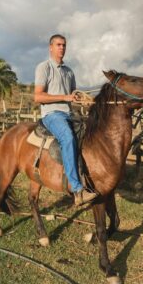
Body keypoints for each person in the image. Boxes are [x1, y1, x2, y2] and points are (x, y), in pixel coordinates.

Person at [34, 34, 97, 206]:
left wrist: (82, 99)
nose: (62, 48)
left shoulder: (69, 71)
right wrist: (65, 97)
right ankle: (77, 190)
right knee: (68, 138)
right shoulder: (44, 67)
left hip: (69, 113)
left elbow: (73, 96)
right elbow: (38, 96)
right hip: (52, 114)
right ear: (51, 47)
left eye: (64, 45)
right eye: (58, 45)